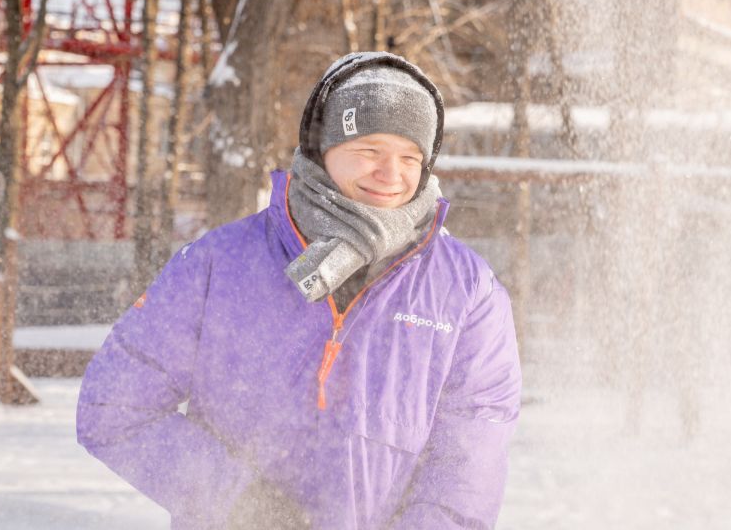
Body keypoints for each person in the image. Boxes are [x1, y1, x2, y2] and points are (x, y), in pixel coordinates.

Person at [76, 51, 522, 529]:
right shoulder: (218, 264)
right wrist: (248, 510)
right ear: (321, 147)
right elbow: (115, 407)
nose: (391, 174)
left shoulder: (466, 290)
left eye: (410, 156)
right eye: (369, 150)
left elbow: (469, 459)